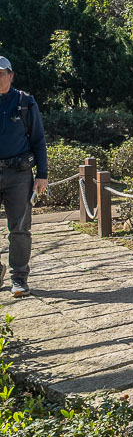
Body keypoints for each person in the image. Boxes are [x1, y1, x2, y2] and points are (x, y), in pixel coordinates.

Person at [0, 56, 48, 297]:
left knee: (19, 228)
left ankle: (19, 278)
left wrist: (42, 174)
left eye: (1, 73)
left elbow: (38, 140)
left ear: (11, 75)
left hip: (19, 174)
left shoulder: (25, 102)